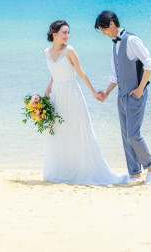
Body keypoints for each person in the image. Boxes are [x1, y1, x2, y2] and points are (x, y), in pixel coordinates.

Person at [42, 20, 129, 185]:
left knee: (76, 131)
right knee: (58, 132)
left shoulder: (69, 50)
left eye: (68, 32)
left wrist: (94, 92)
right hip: (57, 96)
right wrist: (47, 91)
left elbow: (81, 73)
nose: (67, 36)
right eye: (64, 32)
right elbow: (54, 74)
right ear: (55, 34)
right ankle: (62, 170)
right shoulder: (46, 52)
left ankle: (80, 170)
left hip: (72, 94)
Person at [94, 10, 151, 185]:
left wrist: (140, 89)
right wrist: (107, 92)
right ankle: (134, 173)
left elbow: (149, 64)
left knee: (133, 135)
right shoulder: (114, 46)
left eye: (103, 29)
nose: (103, 33)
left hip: (135, 95)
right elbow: (115, 74)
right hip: (121, 96)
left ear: (111, 24)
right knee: (126, 136)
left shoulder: (132, 40)